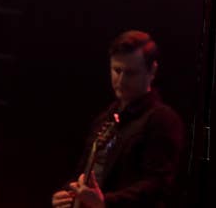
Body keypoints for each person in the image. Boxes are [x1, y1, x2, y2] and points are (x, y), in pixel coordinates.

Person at [51, 30, 185, 208]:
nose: (121, 80)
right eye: (117, 70)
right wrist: (67, 193)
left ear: (152, 70)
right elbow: (83, 171)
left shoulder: (162, 119)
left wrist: (105, 203)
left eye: (130, 73)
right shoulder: (105, 118)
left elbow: (157, 185)